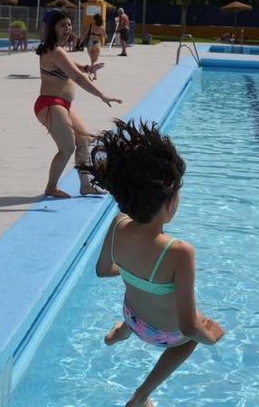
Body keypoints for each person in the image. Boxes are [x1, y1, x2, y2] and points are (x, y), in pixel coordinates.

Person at [81, 119, 225, 407]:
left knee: (144, 298)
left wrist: (136, 272)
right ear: (170, 203)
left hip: (133, 316)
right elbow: (187, 327)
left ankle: (117, 334)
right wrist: (212, 337)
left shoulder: (118, 223)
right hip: (164, 334)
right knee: (194, 336)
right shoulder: (178, 252)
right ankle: (141, 396)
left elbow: (102, 270)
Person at [36, 9, 122, 198]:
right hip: (50, 104)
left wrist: (86, 67)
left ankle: (85, 185)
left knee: (85, 139)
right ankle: (51, 187)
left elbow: (71, 64)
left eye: (68, 24)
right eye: (62, 25)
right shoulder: (54, 50)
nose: (67, 28)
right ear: (53, 29)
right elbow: (77, 78)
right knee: (67, 148)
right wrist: (102, 95)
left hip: (62, 104)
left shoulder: (56, 49)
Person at [83, 13, 106, 80]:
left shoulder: (91, 26)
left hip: (90, 44)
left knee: (92, 61)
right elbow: (105, 36)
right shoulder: (101, 28)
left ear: (95, 20)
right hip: (96, 44)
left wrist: (80, 42)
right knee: (94, 61)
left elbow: (84, 34)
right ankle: (90, 74)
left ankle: (95, 76)